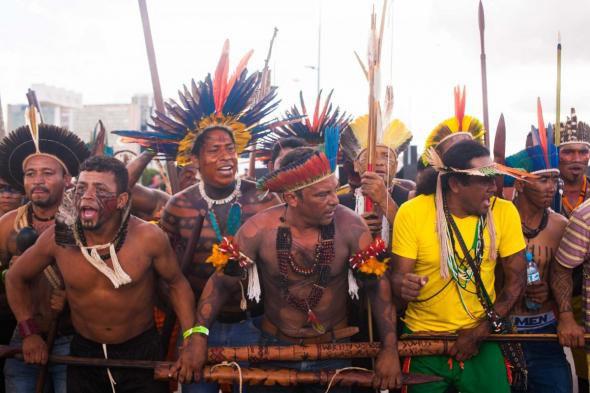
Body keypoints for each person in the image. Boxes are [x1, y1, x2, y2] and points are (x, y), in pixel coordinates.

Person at [116, 41, 282, 393]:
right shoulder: (179, 205)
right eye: (214, 150)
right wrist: (191, 329)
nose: (226, 157)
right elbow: (169, 275)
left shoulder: (263, 198)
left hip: (255, 321)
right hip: (199, 325)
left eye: (230, 149)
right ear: (195, 160)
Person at [192, 147, 402, 392]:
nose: (334, 199)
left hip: (334, 351)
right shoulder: (258, 229)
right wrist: (197, 335)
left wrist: (389, 349)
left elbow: (378, 287)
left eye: (334, 190)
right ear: (292, 198)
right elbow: (220, 284)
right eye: (322, 194)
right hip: (273, 350)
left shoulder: (351, 226)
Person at [5, 156, 200, 392]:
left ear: (121, 200)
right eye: (81, 188)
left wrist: (192, 339)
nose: (87, 196)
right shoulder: (58, 239)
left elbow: (177, 285)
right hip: (84, 353)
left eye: (99, 189)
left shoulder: (148, 238)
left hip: (140, 351)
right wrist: (29, 333)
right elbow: (15, 277)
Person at [391, 140, 528, 393]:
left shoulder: (504, 212)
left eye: (494, 178)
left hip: (481, 335)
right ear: (455, 184)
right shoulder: (412, 212)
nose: (493, 186)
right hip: (423, 339)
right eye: (484, 180)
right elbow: (398, 278)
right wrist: (402, 285)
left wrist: (481, 331)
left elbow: (517, 281)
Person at [0, 119, 90, 393]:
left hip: (71, 338)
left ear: (67, 179)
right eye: (30, 173)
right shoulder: (8, 224)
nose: (37, 180)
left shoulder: (86, 223)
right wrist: (8, 275)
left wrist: (74, 297)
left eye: (47, 173)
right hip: (23, 338)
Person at [504, 123, 571, 392]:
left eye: (554, 180)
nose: (551, 187)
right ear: (520, 183)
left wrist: (551, 294)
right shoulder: (495, 221)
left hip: (544, 332)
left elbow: (568, 276)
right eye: (543, 179)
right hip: (502, 333)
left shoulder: (560, 226)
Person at [339, 116, 413, 239]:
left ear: (396, 166)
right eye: (370, 156)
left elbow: (415, 238)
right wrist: (354, 230)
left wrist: (385, 200)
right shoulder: (339, 204)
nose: (379, 162)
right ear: (356, 165)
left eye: (386, 156)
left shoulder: (411, 200)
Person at [558, 108, 590, 218]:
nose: (576, 159)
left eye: (583, 152)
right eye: (568, 152)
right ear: (556, 155)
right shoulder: (543, 194)